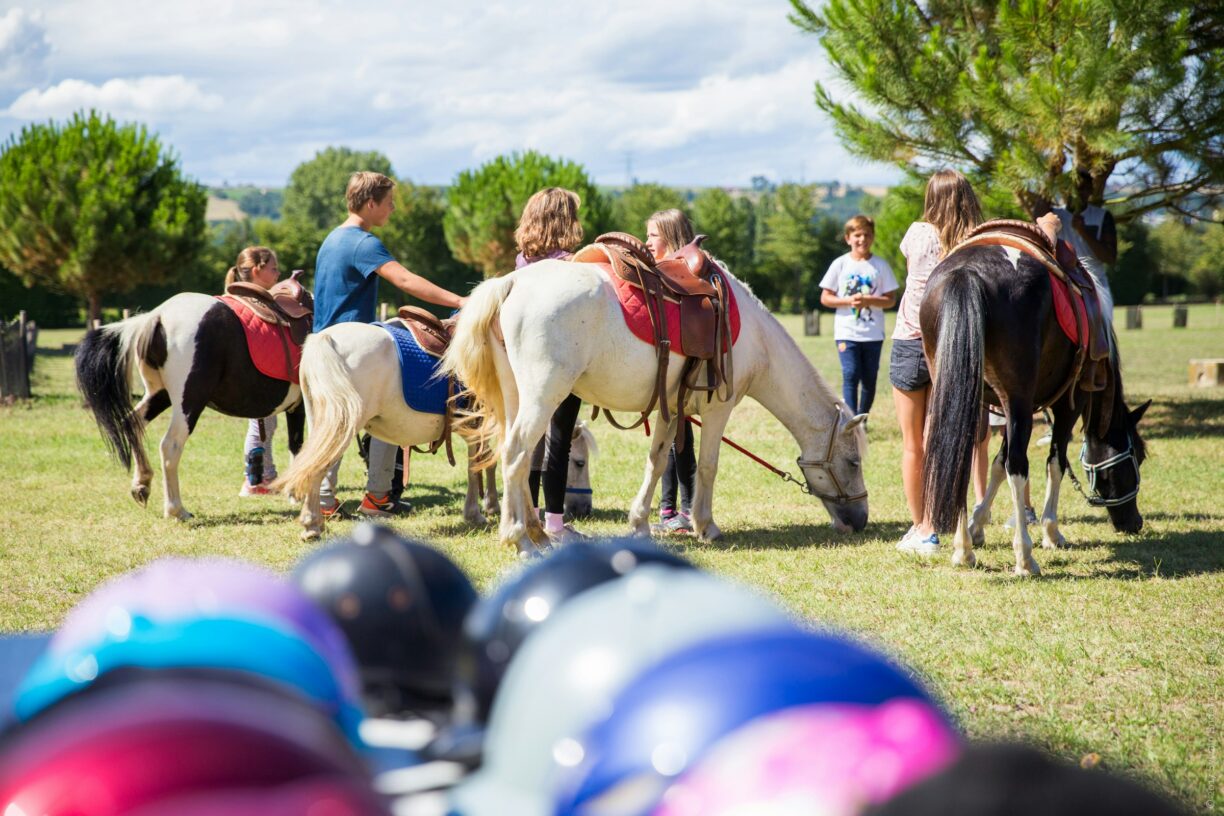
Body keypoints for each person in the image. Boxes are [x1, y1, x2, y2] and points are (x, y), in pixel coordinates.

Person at [314, 171, 467, 519]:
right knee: (388, 414)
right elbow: (404, 278)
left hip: (321, 341)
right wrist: (459, 300)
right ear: (370, 204)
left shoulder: (331, 240)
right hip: (352, 341)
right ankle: (376, 496)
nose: (393, 209)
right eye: (388, 203)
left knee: (332, 422)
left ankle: (324, 499)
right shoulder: (363, 243)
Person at [892, 169, 982, 556]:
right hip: (954, 347)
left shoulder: (916, 233)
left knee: (913, 444)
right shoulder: (975, 241)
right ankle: (949, 519)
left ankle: (923, 528)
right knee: (943, 438)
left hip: (911, 339)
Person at [513, 187, 587, 543]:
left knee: (529, 439)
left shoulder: (521, 264)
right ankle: (555, 524)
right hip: (562, 359)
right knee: (559, 441)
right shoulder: (571, 266)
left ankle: (527, 515)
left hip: (524, 360)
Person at [645, 209, 699, 535]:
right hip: (665, 370)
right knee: (666, 440)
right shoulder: (655, 271)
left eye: (653, 235)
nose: (647, 241)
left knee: (681, 440)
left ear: (671, 236)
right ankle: (668, 509)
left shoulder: (685, 274)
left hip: (683, 371)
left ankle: (688, 510)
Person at [819, 214, 899, 420]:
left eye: (866, 235)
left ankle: (862, 418)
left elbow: (890, 300)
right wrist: (848, 301)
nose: (862, 239)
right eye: (857, 235)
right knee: (851, 374)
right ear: (848, 238)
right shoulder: (840, 264)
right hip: (847, 332)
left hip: (872, 333)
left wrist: (869, 300)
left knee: (869, 379)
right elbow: (826, 297)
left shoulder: (880, 266)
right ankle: (851, 420)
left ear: (872, 238)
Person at [227, 246, 284, 497]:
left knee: (265, 426)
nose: (278, 273)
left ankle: (266, 476)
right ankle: (254, 480)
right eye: (273, 268)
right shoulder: (255, 305)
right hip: (258, 373)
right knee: (261, 425)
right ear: (258, 270)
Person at [1051, 168, 1117, 324]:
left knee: (1103, 334)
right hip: (1062, 283)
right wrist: (1052, 172)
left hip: (1096, 285)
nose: (1082, 192)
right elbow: (1037, 217)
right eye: (1077, 188)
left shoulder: (1102, 216)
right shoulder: (1054, 215)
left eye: (1086, 188)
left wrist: (1084, 232)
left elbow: (1110, 257)